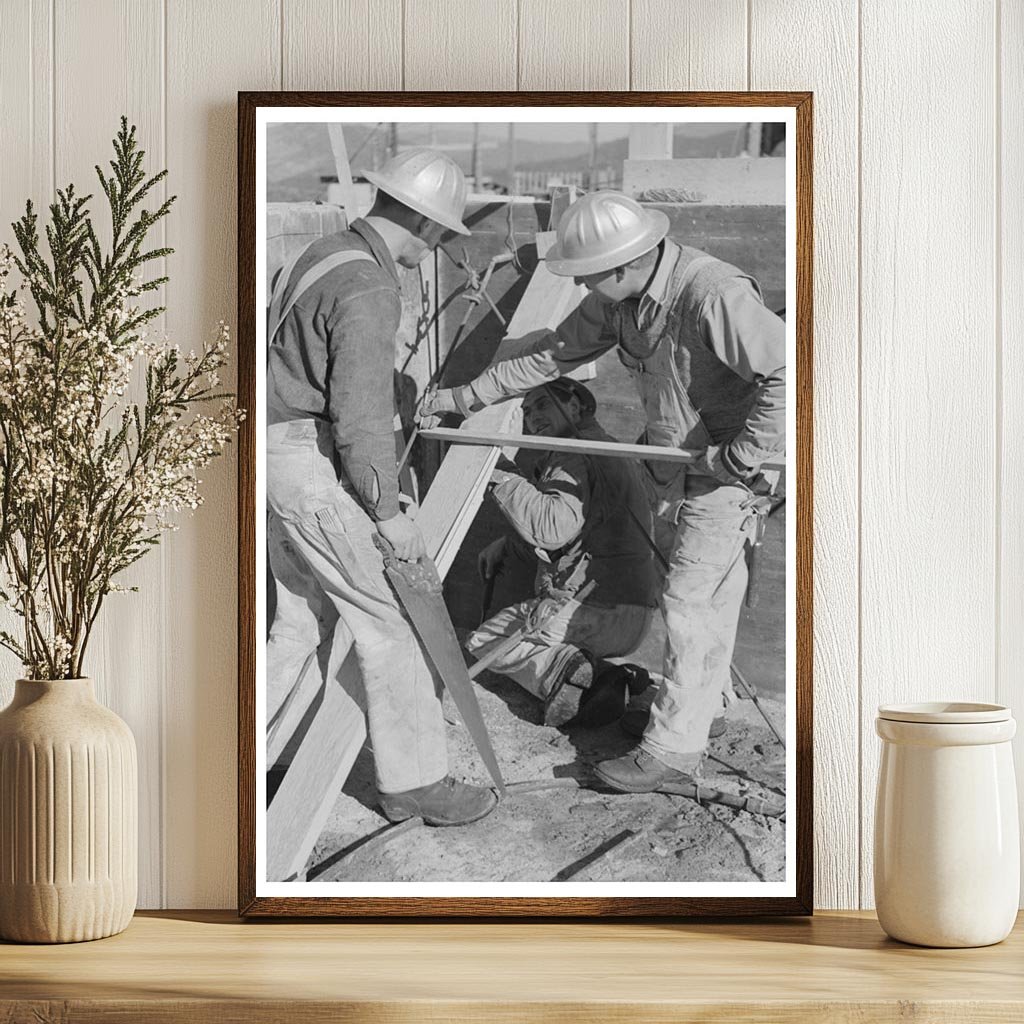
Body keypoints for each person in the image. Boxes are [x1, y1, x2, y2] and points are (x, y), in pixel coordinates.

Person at [422, 190, 785, 794]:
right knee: (696, 599)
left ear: (624, 264)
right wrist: (464, 399)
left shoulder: (712, 293)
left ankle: (670, 754)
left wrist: (743, 454)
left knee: (693, 605)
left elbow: (790, 370)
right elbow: (549, 357)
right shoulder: (619, 302)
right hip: (677, 465)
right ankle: (702, 715)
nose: (584, 285)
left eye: (589, 275)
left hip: (729, 472)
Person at [265, 147, 497, 826]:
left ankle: (251, 753)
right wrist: (387, 513)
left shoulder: (324, 253)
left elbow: (308, 356)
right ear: (428, 227)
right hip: (310, 464)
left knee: (298, 622)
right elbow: (360, 419)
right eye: (443, 235)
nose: (439, 248)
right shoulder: (369, 285)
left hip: (276, 455)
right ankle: (416, 783)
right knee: (390, 621)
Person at [466, 378, 658, 727]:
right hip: (633, 612)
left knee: (484, 640)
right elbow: (582, 532)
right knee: (532, 640)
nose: (532, 416)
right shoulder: (606, 447)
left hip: (594, 609)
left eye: (542, 404)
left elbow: (552, 529)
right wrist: (508, 546)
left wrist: (501, 474)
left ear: (574, 406)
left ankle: (574, 676)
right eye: (526, 411)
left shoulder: (572, 451)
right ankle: (621, 683)